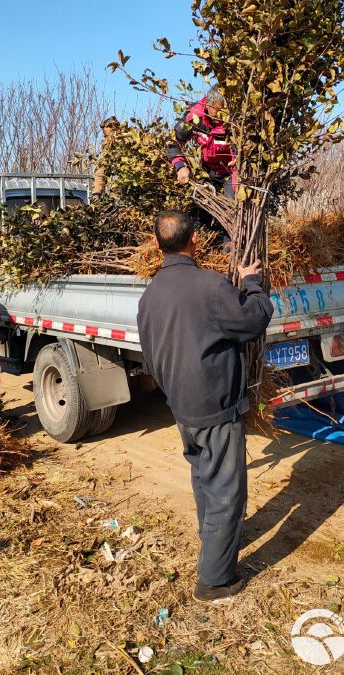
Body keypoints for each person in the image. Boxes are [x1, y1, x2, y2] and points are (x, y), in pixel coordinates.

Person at [137, 210, 274, 603]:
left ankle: (212, 543)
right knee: (227, 491)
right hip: (214, 405)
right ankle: (214, 581)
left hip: (182, 406)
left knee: (204, 479)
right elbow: (254, 320)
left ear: (157, 244)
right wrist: (251, 282)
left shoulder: (149, 296)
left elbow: (150, 355)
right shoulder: (210, 287)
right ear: (194, 240)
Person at [166, 86, 235, 197]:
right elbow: (173, 140)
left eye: (225, 111)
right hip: (207, 170)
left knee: (232, 201)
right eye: (217, 110)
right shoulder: (195, 116)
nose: (221, 115)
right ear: (208, 104)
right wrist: (180, 166)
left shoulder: (235, 123)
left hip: (231, 172)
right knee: (198, 204)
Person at [91, 115, 120, 197]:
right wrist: (96, 192)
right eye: (105, 135)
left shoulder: (127, 141)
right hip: (116, 187)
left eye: (107, 135)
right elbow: (102, 169)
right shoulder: (106, 146)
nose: (105, 138)